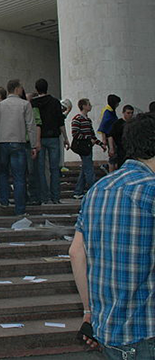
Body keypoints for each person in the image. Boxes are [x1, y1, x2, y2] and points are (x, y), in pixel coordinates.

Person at [69, 113, 155, 359]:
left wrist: (89, 312)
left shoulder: (99, 188)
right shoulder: (150, 190)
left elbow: (76, 253)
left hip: (108, 330)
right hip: (146, 332)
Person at [0, 79, 39, 216]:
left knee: (2, 173)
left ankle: (4, 201)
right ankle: (20, 209)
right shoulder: (25, 104)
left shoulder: (0, 106)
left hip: (2, 141)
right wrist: (33, 145)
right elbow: (30, 126)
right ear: (17, 89)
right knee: (19, 177)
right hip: (18, 142)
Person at [31, 78, 70, 204]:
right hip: (53, 136)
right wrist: (66, 138)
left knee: (41, 169)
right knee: (54, 168)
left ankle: (44, 197)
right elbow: (61, 122)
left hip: (40, 138)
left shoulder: (34, 103)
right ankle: (56, 197)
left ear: (37, 89)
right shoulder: (55, 102)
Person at [72, 99, 107, 199]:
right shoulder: (77, 119)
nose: (90, 106)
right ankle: (93, 190)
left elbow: (92, 135)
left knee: (85, 168)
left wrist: (100, 144)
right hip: (83, 147)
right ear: (83, 106)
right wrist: (88, 139)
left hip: (87, 146)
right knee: (89, 169)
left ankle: (78, 191)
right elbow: (75, 134)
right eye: (89, 104)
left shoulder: (87, 120)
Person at [107, 104, 134, 170]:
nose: (130, 115)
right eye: (128, 113)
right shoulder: (118, 123)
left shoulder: (133, 123)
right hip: (120, 149)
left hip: (130, 149)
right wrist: (111, 148)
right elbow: (110, 135)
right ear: (123, 113)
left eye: (131, 113)